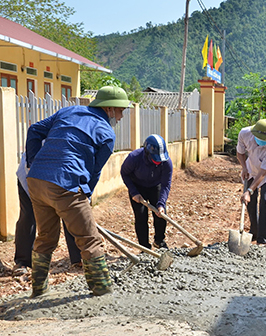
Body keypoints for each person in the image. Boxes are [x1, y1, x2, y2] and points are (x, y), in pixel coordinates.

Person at [25, 85, 130, 297]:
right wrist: (85, 197)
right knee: (89, 239)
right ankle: (102, 291)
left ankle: (38, 290)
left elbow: (34, 129)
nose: (121, 116)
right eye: (120, 111)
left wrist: (33, 161)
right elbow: (94, 172)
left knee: (45, 236)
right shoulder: (106, 134)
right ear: (109, 109)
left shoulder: (68, 111)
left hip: (36, 181)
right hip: (66, 184)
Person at [13, 152, 82, 276]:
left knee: (71, 214)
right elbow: (31, 157)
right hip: (31, 175)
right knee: (28, 216)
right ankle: (23, 261)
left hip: (62, 175)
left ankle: (78, 259)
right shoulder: (42, 135)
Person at [121, 134, 173, 249]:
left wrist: (161, 203)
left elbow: (166, 184)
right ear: (147, 153)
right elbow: (124, 173)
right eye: (156, 158)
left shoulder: (166, 162)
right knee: (141, 216)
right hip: (137, 187)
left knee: (161, 214)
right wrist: (134, 192)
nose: (159, 162)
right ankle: (144, 247)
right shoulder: (134, 158)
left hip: (155, 186)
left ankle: (159, 241)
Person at [237, 119, 266, 245]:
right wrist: (244, 168)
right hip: (250, 170)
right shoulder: (244, 133)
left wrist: (249, 190)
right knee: (250, 203)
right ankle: (254, 232)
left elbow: (263, 172)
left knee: (265, 202)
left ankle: (262, 238)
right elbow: (240, 153)